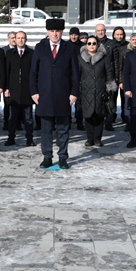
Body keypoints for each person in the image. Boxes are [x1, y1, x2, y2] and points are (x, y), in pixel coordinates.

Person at [30, 18, 80, 169]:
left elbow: (75, 74)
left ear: (62, 32)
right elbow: (33, 72)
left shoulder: (69, 48)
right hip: (44, 95)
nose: (55, 34)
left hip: (63, 95)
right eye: (52, 31)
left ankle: (63, 157)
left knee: (63, 128)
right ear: (48, 32)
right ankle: (47, 156)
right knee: (45, 129)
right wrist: (33, 92)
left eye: (57, 31)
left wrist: (74, 93)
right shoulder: (40, 47)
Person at [79, 36, 115, 147]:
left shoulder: (104, 58)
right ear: (86, 45)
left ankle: (98, 139)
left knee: (99, 116)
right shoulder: (80, 58)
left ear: (98, 45)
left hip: (100, 91)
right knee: (88, 116)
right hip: (86, 91)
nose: (91, 45)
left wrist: (109, 89)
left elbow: (109, 73)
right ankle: (90, 139)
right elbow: (77, 75)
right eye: (89, 43)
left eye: (94, 43)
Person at [4, 31, 35, 146]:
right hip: (14, 91)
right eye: (18, 38)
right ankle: (11, 137)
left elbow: (34, 72)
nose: (21, 40)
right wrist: (6, 88)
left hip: (27, 91)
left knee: (28, 117)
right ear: (15, 40)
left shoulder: (31, 53)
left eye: (23, 38)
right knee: (12, 117)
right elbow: (6, 72)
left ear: (26, 39)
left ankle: (29, 138)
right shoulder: (9, 54)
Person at [110, 27, 128, 127]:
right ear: (114, 35)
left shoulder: (127, 45)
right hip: (112, 76)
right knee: (112, 97)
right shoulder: (111, 45)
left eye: (121, 34)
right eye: (117, 34)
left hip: (124, 76)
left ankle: (125, 117)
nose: (119, 36)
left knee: (124, 98)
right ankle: (111, 117)